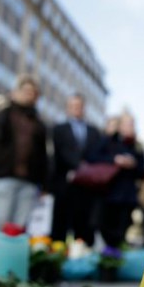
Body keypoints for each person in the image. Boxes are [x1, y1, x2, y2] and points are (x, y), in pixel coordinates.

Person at [0, 75, 48, 234]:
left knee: (20, 228)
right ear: (14, 92)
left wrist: (43, 183)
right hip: (3, 177)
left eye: (33, 92)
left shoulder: (38, 124)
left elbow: (43, 155)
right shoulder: (0, 118)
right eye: (25, 91)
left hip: (28, 181)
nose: (28, 95)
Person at [50, 94, 101, 246]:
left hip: (86, 188)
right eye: (73, 106)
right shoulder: (58, 129)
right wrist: (76, 167)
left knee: (84, 226)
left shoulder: (94, 132)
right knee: (60, 224)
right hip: (65, 185)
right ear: (68, 108)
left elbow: (97, 154)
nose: (76, 109)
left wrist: (84, 170)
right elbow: (59, 154)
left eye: (79, 106)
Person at [90, 113, 144, 248]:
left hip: (127, 197)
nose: (131, 127)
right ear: (120, 126)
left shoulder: (137, 147)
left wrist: (133, 164)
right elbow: (92, 157)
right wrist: (115, 160)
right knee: (105, 227)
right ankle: (106, 257)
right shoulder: (109, 141)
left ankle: (115, 258)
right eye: (128, 124)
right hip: (109, 194)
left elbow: (143, 172)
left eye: (132, 124)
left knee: (121, 230)